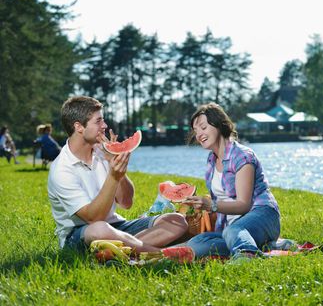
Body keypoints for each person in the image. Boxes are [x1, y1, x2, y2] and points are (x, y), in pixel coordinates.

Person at [47, 96, 188, 253]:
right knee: (99, 229)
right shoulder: (62, 169)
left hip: (116, 226)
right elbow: (93, 218)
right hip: (79, 234)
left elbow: (126, 202)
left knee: (177, 221)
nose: (105, 125)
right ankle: (161, 255)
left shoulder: (102, 152)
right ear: (79, 127)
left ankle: (115, 251)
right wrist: (113, 176)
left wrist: (114, 164)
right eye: (98, 121)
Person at [181, 102, 281, 261]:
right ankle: (267, 245)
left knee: (232, 231)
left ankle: (248, 257)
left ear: (219, 125)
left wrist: (211, 205)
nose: (199, 134)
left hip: (262, 215)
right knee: (196, 243)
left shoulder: (242, 156)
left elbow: (244, 204)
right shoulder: (211, 160)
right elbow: (220, 200)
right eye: (196, 130)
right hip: (232, 227)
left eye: (204, 127)